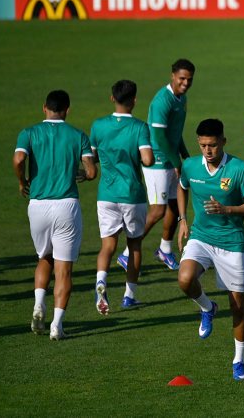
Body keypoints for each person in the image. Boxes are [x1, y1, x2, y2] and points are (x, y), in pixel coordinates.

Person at [176, 118, 244, 380]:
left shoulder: (239, 169)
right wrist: (182, 219)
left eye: (212, 145)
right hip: (201, 236)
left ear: (223, 141)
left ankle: (239, 359)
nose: (208, 150)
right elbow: (182, 187)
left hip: (232, 242)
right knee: (185, 279)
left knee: (238, 306)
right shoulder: (190, 166)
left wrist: (227, 210)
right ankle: (207, 308)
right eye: (203, 145)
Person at [13, 90, 97, 340]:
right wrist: (83, 174)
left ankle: (39, 304)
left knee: (44, 257)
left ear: (44, 108)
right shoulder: (78, 135)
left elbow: (18, 159)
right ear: (67, 110)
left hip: (38, 205)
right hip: (66, 206)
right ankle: (56, 326)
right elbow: (92, 172)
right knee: (64, 269)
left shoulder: (29, 133)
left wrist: (22, 181)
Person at [119, 58, 195, 272]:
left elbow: (175, 133)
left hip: (170, 159)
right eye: (182, 78)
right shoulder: (163, 101)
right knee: (158, 210)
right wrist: (176, 161)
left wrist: (185, 156)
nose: (185, 83)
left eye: (189, 79)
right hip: (157, 161)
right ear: (172, 76)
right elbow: (160, 137)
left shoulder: (181, 98)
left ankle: (165, 249)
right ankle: (127, 253)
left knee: (174, 205)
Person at [89, 80, 154, 312]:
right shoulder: (140, 127)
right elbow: (148, 160)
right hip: (132, 194)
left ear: (112, 98)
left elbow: (91, 158)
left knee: (107, 244)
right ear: (134, 100)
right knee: (134, 245)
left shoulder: (98, 126)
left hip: (106, 194)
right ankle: (129, 295)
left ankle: (101, 281)